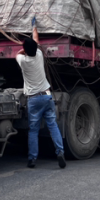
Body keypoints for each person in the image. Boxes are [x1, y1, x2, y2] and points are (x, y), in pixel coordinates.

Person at [17, 27, 66, 169]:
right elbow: (36, 40)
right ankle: (60, 152)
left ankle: (32, 159)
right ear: (35, 48)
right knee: (53, 125)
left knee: (33, 130)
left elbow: (18, 53)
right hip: (46, 96)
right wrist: (34, 27)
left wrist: (24, 50)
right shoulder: (39, 55)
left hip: (33, 99)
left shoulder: (22, 61)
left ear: (25, 50)